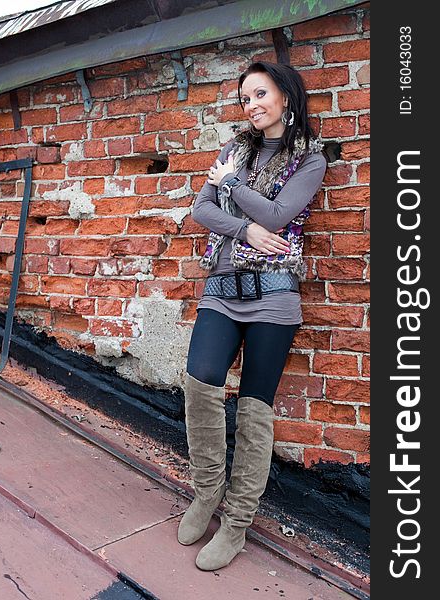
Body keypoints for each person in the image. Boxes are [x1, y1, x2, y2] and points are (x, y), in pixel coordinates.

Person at [177, 61, 327, 571]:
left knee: (256, 405)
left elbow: (280, 216)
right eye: (245, 98)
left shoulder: (310, 159)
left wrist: (234, 189)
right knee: (201, 380)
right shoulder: (234, 149)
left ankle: (238, 521)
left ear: (285, 95)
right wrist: (242, 230)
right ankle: (206, 492)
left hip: (274, 296)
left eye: (260, 94)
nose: (252, 105)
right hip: (222, 286)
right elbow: (202, 209)